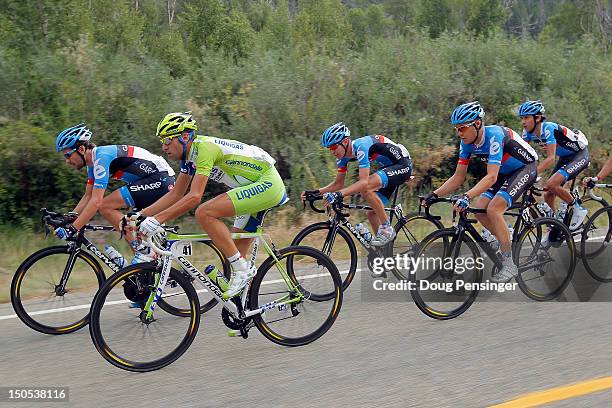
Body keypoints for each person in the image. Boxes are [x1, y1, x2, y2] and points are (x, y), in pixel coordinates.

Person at [132, 112, 287, 299]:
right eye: (161, 141)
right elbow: (176, 193)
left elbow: (195, 196)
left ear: (185, 136)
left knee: (205, 213)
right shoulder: (190, 158)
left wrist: (157, 220)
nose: (164, 147)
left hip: (267, 184)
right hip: (255, 186)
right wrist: (141, 215)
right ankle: (244, 311)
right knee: (235, 253)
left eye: (167, 140)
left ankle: (243, 272)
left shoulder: (203, 149)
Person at [422, 101, 538, 283]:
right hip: (503, 173)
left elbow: (491, 177)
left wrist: (466, 195)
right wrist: (435, 194)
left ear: (477, 124)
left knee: (493, 209)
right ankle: (504, 234)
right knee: (480, 208)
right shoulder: (466, 143)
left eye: (462, 128)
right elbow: (458, 177)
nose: (458, 133)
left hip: (524, 169)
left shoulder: (494, 136)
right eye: (456, 129)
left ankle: (509, 264)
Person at [54, 123, 175, 264]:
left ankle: (143, 252)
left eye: (68, 155)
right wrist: (68, 218)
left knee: (106, 206)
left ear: (81, 149)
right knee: (134, 227)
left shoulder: (101, 157)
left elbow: (96, 201)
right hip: (155, 180)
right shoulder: (93, 164)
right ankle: (146, 265)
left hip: (159, 179)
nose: (67, 161)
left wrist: (73, 229)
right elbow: (88, 196)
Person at [307, 122, 413, 250]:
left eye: (334, 147)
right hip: (389, 168)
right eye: (329, 149)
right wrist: (316, 192)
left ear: (345, 141)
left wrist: (339, 194)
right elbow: (338, 184)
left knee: (366, 187)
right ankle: (383, 254)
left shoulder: (361, 146)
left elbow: (363, 183)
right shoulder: (342, 158)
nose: (332, 151)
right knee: (372, 214)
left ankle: (387, 228)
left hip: (403, 165)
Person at [518, 100, 590, 229]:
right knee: (548, 194)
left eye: (527, 117)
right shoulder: (527, 133)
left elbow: (551, 158)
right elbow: (522, 156)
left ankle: (578, 209)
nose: (523, 121)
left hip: (579, 155)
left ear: (538, 118)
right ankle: (554, 226)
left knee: (552, 184)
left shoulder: (548, 128)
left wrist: (532, 174)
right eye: (522, 118)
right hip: (565, 158)